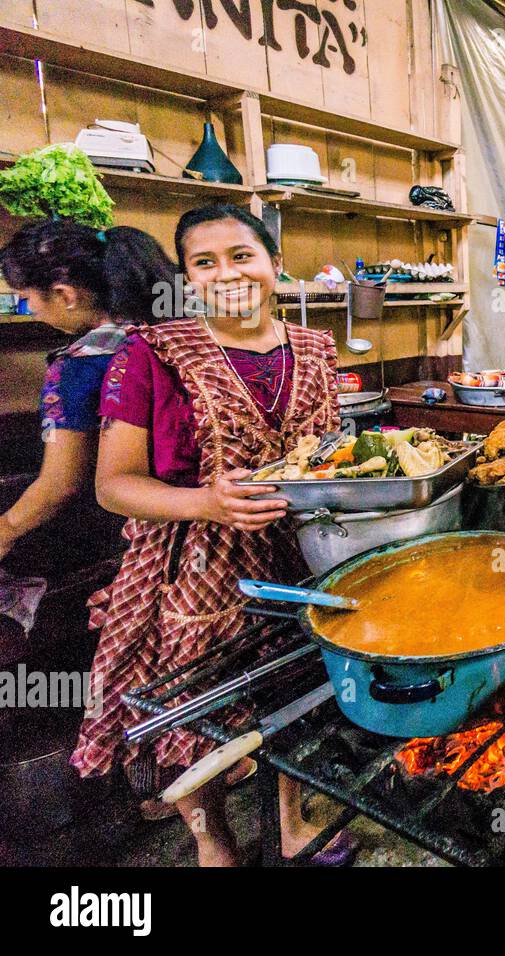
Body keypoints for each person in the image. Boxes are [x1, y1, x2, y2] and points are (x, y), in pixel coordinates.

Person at [72, 205, 356, 867]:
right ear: (187, 277)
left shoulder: (312, 348)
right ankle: (211, 839)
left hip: (298, 557)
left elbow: (327, 454)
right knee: (189, 720)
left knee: (294, 701)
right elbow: (114, 484)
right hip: (190, 566)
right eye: (204, 263)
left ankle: (290, 818)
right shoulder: (150, 352)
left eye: (241, 255)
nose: (226, 273)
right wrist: (209, 501)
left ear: (274, 264)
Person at [0, 221, 174, 562]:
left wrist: (6, 530)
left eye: (27, 297)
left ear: (65, 294)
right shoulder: (172, 335)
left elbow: (60, 485)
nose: (31, 309)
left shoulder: (78, 366)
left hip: (132, 540)